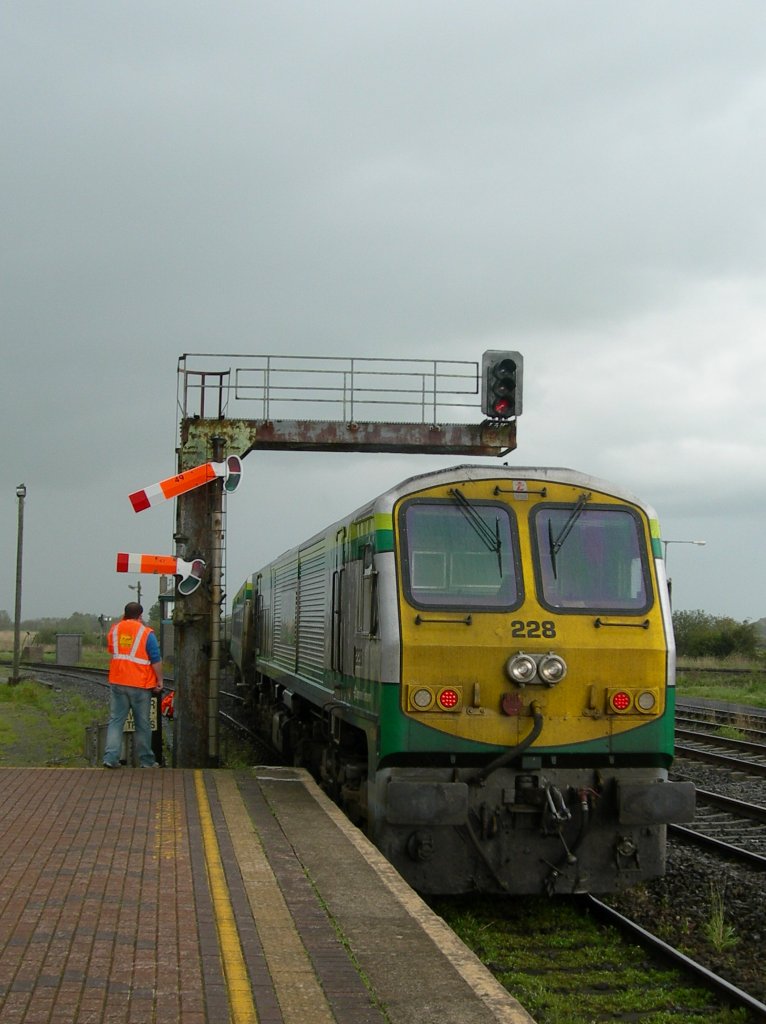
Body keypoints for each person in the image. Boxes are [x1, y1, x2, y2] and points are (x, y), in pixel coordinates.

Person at [102, 602, 163, 768]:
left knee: (116, 721)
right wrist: (160, 680)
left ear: (125, 613)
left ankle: (110, 758)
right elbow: (155, 659)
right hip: (140, 685)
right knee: (142, 724)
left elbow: (114, 650)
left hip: (118, 682)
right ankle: (146, 761)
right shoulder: (146, 633)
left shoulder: (114, 630)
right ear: (140, 615)